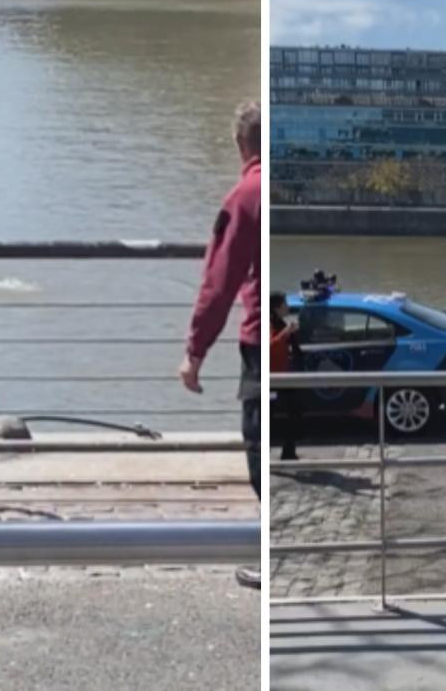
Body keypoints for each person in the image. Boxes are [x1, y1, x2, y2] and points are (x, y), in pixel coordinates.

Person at [179, 101, 261, 590]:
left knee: (256, 447)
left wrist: (194, 353)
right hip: (286, 336)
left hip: (259, 341)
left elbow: (219, 282)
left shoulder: (246, 196)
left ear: (239, 144)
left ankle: (272, 562)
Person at [270, 291, 302, 460]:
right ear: (276, 308)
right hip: (273, 378)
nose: (288, 307)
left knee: (294, 412)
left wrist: (291, 332)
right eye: (285, 304)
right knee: (269, 417)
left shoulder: (280, 323)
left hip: (285, 376)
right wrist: (286, 332)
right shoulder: (268, 324)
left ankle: (288, 452)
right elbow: (270, 346)